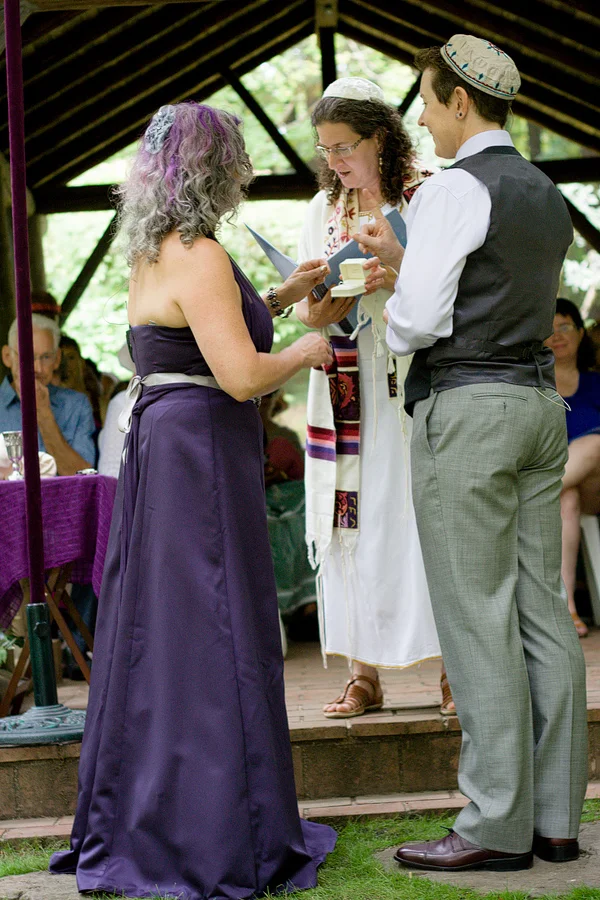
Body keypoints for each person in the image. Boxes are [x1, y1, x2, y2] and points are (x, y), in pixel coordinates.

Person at [50, 101, 337, 900]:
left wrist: (281, 296)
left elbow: (197, 336)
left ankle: (153, 811)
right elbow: (240, 375)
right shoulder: (202, 252)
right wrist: (306, 349)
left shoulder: (153, 250)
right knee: (217, 627)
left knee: (167, 629)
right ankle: (219, 825)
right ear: (217, 171)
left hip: (166, 446)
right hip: (200, 451)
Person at [357, 35, 587, 871]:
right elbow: (495, 283)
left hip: (470, 410)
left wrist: (394, 291)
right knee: (541, 614)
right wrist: (413, 263)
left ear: (460, 100)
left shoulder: (454, 187)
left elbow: (420, 321)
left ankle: (492, 825)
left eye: (426, 100)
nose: (421, 117)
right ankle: (555, 820)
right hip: (537, 404)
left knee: (476, 614)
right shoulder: (546, 192)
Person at [296, 76, 442, 719]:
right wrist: (321, 305)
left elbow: (453, 286)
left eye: (343, 146)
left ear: (380, 138)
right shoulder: (320, 210)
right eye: (324, 149)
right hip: (347, 383)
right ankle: (362, 673)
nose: (333, 161)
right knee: (350, 521)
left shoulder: (429, 193)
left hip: (412, 375)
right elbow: (306, 308)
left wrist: (395, 270)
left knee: (423, 515)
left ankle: (452, 668)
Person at [545, 297, 600, 637]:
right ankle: (567, 609)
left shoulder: (597, 382)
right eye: (549, 329)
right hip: (566, 489)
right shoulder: (536, 386)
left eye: (564, 326)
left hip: (599, 486)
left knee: (596, 443)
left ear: (580, 332)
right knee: (567, 498)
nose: (557, 335)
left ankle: (535, 494)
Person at [0, 315, 95, 475]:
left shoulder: (76, 405)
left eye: (46, 357)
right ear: (7, 357)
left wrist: (44, 414)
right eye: (27, 356)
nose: (37, 368)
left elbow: (83, 478)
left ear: (57, 359)